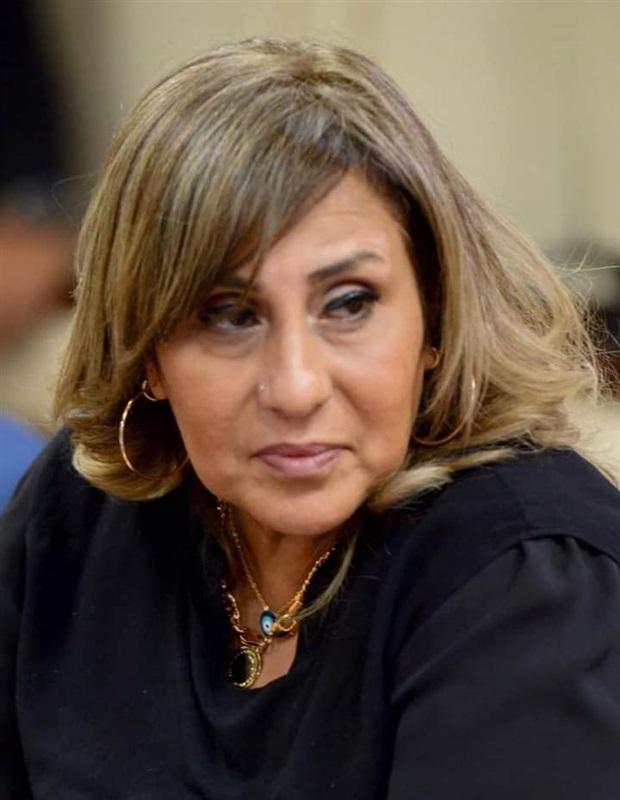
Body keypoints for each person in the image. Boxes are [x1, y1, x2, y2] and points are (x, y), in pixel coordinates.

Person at [1, 38, 618, 800]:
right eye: (229, 315)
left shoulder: (528, 578)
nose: (296, 388)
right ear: (146, 352)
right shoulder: (81, 514)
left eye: (349, 303)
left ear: (434, 318)